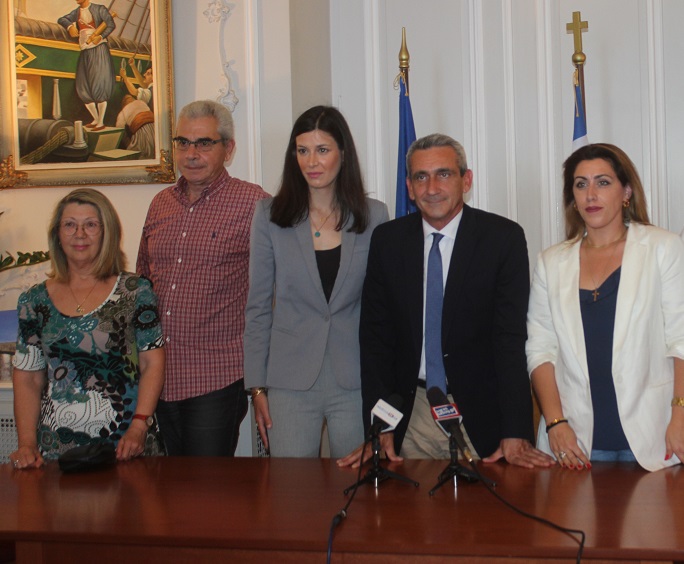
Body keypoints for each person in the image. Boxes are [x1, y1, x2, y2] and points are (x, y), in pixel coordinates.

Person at [339, 133, 553, 469]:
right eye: (421, 177)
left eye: (443, 174)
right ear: (409, 188)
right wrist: (380, 425)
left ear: (466, 180)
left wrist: (515, 429)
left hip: (480, 417)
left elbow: (510, 340)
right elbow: (376, 341)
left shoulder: (502, 239)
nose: (432, 188)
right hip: (412, 414)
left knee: (488, 504)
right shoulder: (388, 242)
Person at [527, 143, 684, 471]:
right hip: (574, 443)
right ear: (572, 197)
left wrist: (680, 414)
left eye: (603, 182)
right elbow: (540, 350)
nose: (591, 194)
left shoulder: (663, 248)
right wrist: (555, 422)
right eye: (580, 184)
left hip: (655, 439)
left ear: (626, 191)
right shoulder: (550, 262)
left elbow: (681, 339)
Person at [244, 106, 388, 458]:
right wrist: (257, 388)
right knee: (291, 487)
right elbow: (258, 307)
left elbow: (384, 308)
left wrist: (387, 385)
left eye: (322, 150)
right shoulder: (268, 216)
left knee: (356, 484)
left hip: (355, 378)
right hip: (288, 380)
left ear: (343, 153)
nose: (312, 161)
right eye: (302, 150)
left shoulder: (374, 216)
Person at [137, 100, 269, 456]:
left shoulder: (254, 204)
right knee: (166, 481)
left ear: (229, 149)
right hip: (158, 375)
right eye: (183, 142)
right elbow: (142, 283)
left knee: (207, 483)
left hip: (217, 375)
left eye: (204, 143)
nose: (191, 153)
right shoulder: (160, 203)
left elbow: (279, 288)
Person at [10, 189, 165, 469]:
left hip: (126, 446)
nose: (79, 234)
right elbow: (28, 377)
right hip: (57, 452)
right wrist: (27, 443)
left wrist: (140, 425)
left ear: (107, 233)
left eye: (91, 225)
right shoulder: (34, 301)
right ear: (57, 234)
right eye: (69, 224)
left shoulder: (135, 291)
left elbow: (151, 363)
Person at [58, 0, 116, 130]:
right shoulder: (76, 12)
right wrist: (70, 27)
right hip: (85, 50)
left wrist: (100, 37)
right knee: (83, 86)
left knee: (99, 84)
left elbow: (111, 24)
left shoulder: (99, 9)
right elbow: (62, 19)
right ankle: (95, 119)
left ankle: (101, 122)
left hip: (99, 49)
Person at [115, 94, 155, 159]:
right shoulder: (141, 102)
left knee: (139, 152)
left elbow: (119, 130)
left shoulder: (123, 111)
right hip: (154, 127)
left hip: (140, 130)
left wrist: (127, 142)